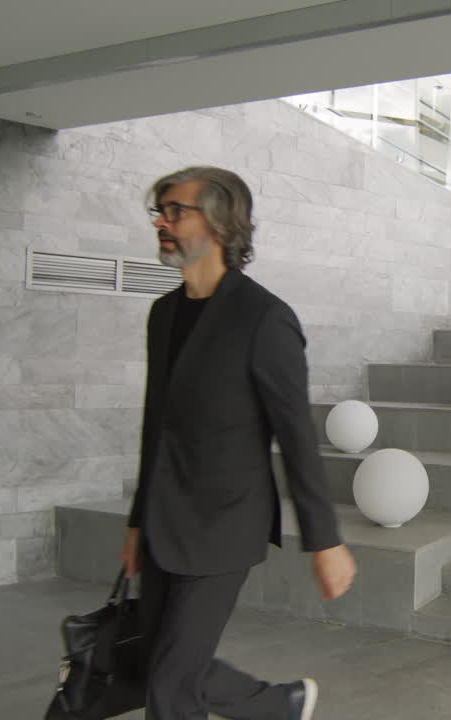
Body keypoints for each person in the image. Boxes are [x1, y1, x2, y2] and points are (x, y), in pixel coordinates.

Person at [120, 166, 356, 720]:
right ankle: (279, 705)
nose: (162, 222)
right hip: (162, 522)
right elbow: (156, 425)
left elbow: (296, 437)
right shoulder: (164, 314)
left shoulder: (265, 319)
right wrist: (136, 521)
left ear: (223, 224)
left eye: (176, 210)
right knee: (165, 661)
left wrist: (325, 541)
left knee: (172, 681)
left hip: (224, 525)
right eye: (159, 211)